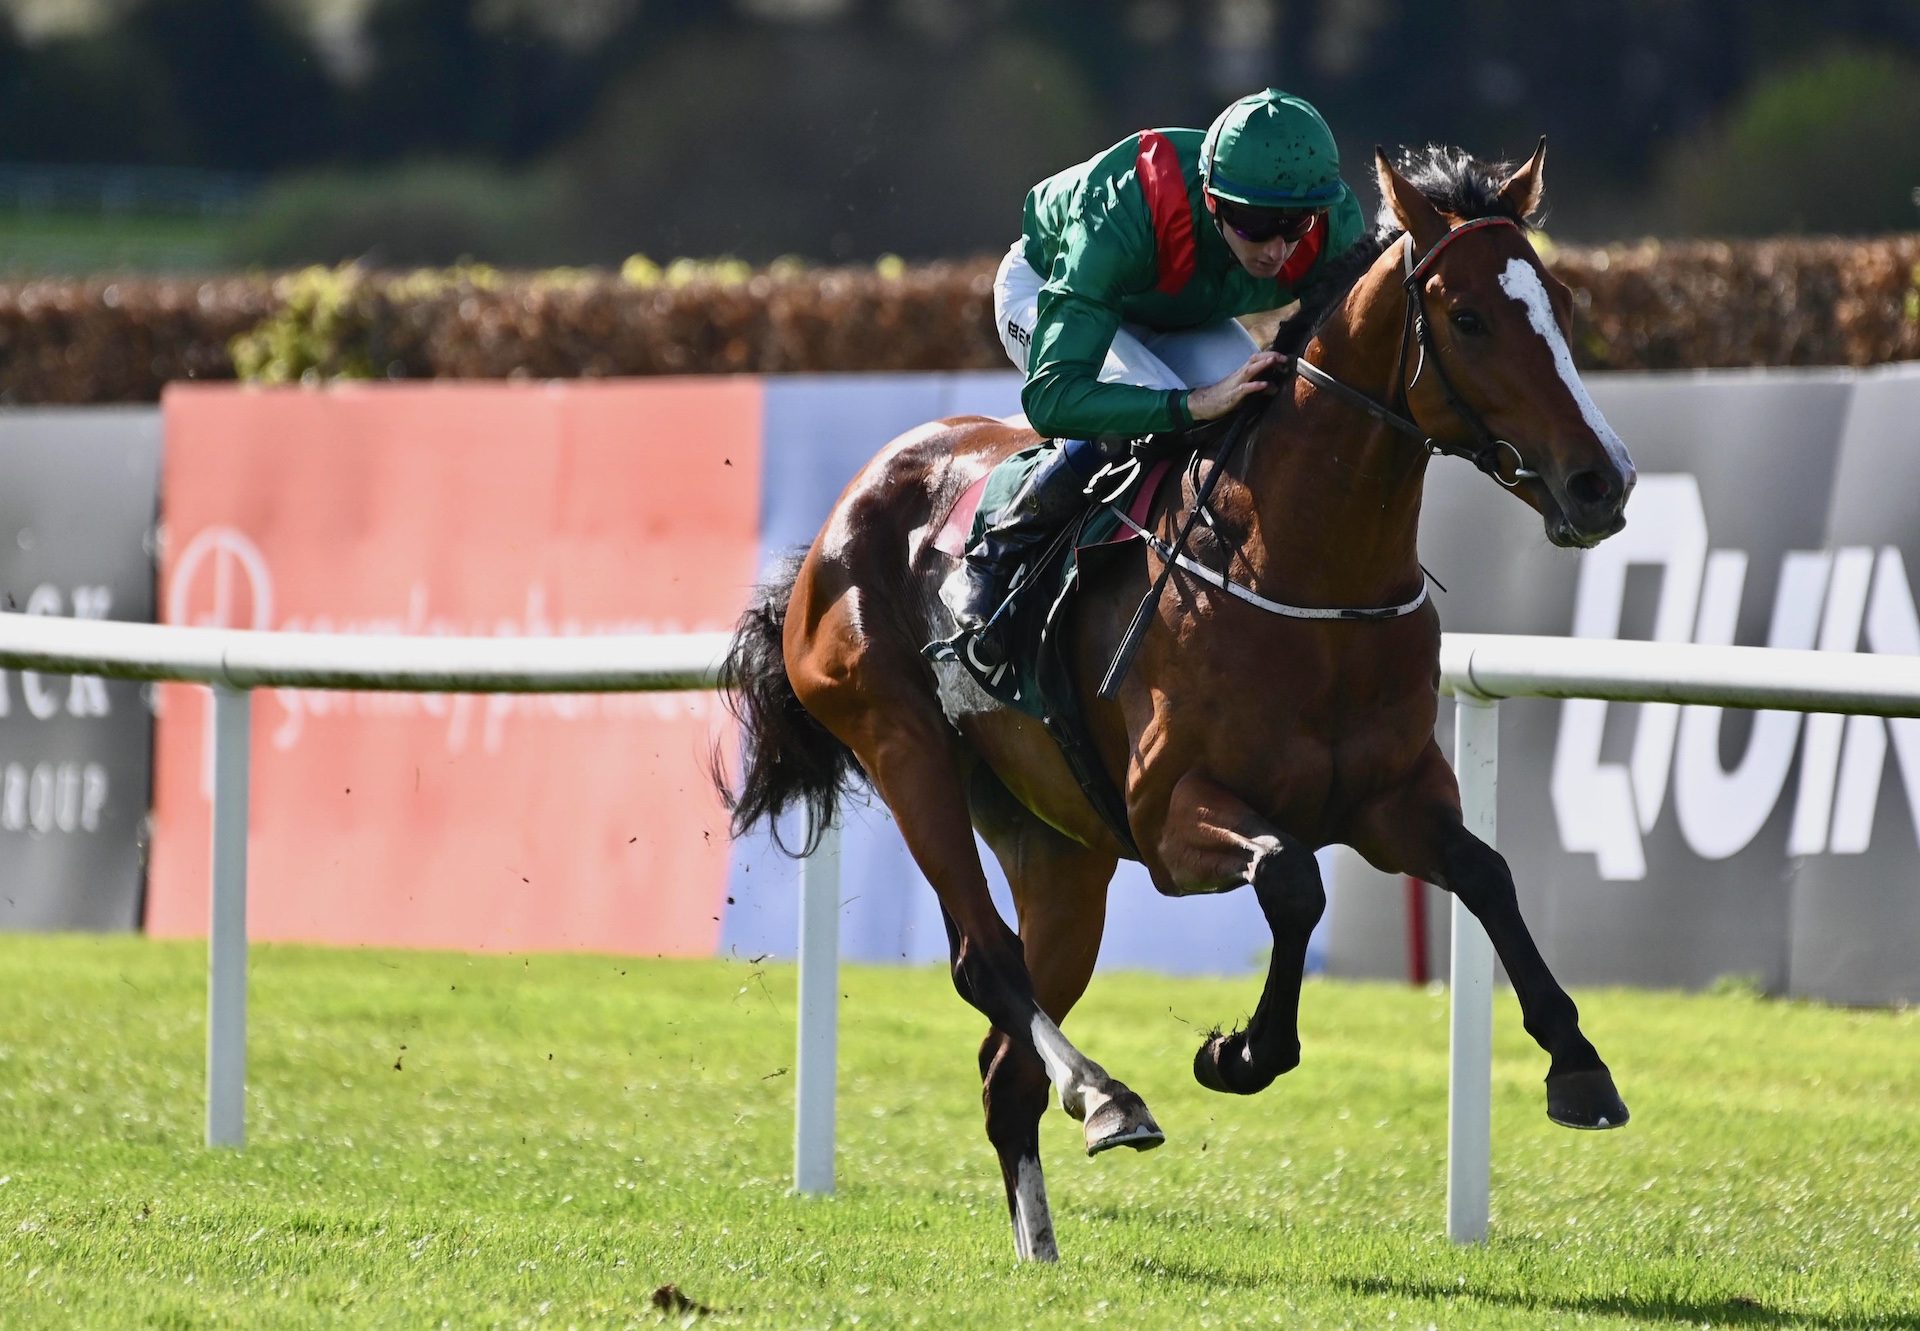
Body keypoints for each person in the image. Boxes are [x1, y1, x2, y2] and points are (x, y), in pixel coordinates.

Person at [944, 88, 1367, 667]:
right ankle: (997, 555)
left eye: (1294, 224)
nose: (1276, 249)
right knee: (1154, 413)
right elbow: (1053, 397)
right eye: (1254, 223)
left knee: (1256, 409)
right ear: (1215, 203)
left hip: (1180, 308)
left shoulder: (1333, 221)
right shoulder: (1125, 208)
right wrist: (1191, 404)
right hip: (1050, 288)